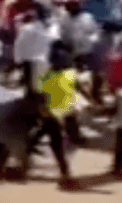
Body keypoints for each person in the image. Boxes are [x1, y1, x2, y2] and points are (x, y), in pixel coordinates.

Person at [24, 45, 88, 189]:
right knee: (56, 141)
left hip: (65, 111)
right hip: (53, 114)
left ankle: (27, 150)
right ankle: (64, 171)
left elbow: (78, 88)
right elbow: (40, 97)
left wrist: (88, 99)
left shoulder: (54, 75)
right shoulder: (48, 77)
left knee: (62, 137)